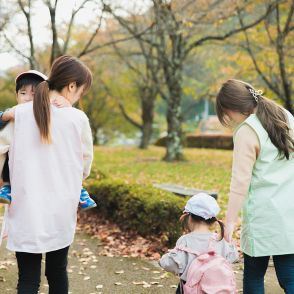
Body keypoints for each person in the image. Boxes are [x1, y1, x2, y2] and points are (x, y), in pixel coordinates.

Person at [0, 55, 93, 294]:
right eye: (80, 91)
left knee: (28, 279)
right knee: (57, 272)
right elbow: (85, 164)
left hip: (25, 208)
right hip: (61, 209)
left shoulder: (18, 114)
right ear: (72, 86)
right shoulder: (77, 118)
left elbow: (1, 150)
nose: (78, 97)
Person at [216, 79, 294, 293]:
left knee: (254, 276)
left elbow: (240, 182)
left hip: (262, 218)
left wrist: (230, 223)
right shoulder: (285, 116)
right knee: (289, 276)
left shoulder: (247, 131)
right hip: (289, 215)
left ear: (230, 108)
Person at [0, 70, 96, 210]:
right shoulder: (14, 114)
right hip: (26, 172)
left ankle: (79, 189)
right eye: (23, 93)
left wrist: (67, 104)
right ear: (16, 95)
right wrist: (5, 116)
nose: (27, 98)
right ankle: (8, 187)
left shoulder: (51, 113)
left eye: (34, 94)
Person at [159, 193, 238, 294]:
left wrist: (162, 261)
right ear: (213, 221)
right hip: (217, 289)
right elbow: (233, 256)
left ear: (189, 218)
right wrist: (229, 241)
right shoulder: (219, 239)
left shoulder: (185, 240)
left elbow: (172, 264)